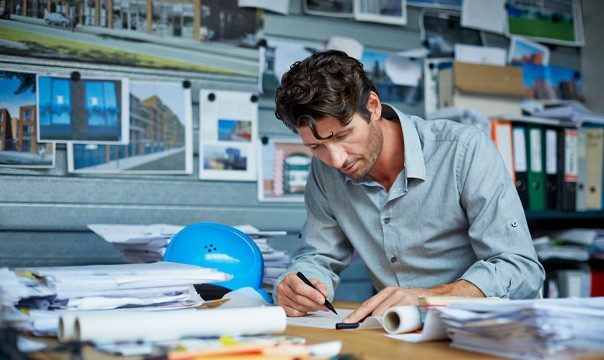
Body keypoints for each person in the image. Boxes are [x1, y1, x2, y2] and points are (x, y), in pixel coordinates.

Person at [272, 50, 545, 324]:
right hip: (397, 331)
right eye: (316, 147)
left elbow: (520, 267)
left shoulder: (463, 150)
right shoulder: (325, 171)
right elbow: (318, 256)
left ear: (373, 106)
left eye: (343, 135)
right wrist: (298, 285)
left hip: (486, 329)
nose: (336, 159)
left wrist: (432, 298)